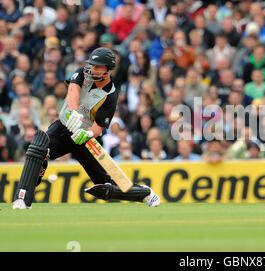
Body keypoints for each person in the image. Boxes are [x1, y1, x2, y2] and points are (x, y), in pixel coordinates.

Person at [12, 47, 160, 210]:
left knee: (104, 186)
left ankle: (144, 193)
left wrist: (87, 133)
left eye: (98, 66)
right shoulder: (83, 73)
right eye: (92, 65)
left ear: (108, 69)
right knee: (39, 148)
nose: (93, 68)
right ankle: (23, 199)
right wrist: (74, 111)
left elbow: (99, 127)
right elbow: (73, 90)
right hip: (63, 127)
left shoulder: (110, 95)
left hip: (85, 138)